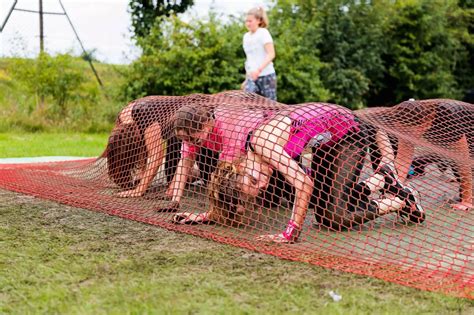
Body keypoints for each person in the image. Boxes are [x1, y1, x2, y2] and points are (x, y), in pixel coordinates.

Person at [172, 103, 425, 243]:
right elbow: (225, 181)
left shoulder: (262, 146)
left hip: (348, 134)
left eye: (254, 181)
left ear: (241, 168)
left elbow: (303, 183)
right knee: (326, 213)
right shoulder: (248, 158)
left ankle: (401, 200)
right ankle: (381, 179)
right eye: (255, 188)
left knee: (334, 217)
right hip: (325, 146)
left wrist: (290, 232)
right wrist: (208, 214)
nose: (261, 186)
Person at [368, 99, 473, 211]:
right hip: (451, 138)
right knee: (458, 172)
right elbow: (403, 160)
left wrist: (466, 201)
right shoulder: (408, 120)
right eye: (401, 130)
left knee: (465, 172)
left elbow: (463, 161)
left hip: (469, 128)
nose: (405, 134)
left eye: (409, 132)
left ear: (426, 124)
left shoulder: (448, 119)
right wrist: (395, 193)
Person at [105, 94, 213, 197]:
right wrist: (142, 173)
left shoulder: (144, 115)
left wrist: (139, 190)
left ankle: (198, 173)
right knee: (173, 178)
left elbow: (156, 156)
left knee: (205, 177)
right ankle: (191, 172)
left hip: (194, 122)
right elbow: (142, 144)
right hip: (175, 128)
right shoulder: (124, 120)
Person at [242, 7, 277, 100]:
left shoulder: (263, 33)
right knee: (248, 104)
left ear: (259, 20)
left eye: (250, 21)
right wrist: (246, 79)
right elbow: (249, 59)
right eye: (246, 21)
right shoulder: (246, 37)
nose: (248, 23)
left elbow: (271, 54)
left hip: (266, 76)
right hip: (252, 77)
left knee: (270, 108)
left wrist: (259, 70)